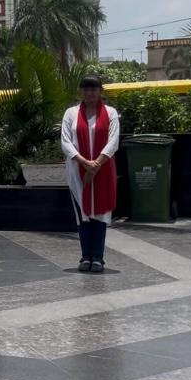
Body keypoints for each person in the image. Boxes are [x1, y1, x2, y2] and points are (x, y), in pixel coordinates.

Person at [61, 75, 120, 273]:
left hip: (103, 169)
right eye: (86, 89)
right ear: (80, 92)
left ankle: (98, 258)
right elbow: (65, 141)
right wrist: (85, 163)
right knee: (83, 214)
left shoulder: (110, 113)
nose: (90, 93)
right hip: (77, 170)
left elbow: (113, 141)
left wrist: (95, 165)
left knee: (100, 214)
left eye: (93, 89)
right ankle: (86, 256)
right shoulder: (71, 113)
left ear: (100, 91)